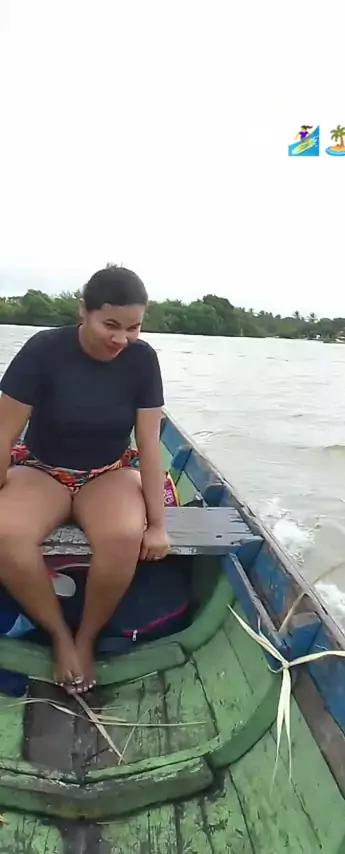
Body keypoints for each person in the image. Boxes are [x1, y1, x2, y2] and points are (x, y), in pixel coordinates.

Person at [0, 265, 170, 694]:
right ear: (83, 311)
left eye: (133, 327)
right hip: (42, 470)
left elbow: (149, 446)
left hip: (109, 473)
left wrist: (157, 524)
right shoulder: (44, 350)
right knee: (5, 532)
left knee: (123, 536)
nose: (122, 339)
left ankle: (86, 638)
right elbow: (4, 433)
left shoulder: (143, 360)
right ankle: (59, 634)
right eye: (110, 325)